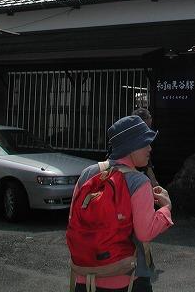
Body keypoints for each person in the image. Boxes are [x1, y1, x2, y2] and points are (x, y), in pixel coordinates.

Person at [71, 115, 173, 292]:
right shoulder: (138, 181)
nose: (150, 148)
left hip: (85, 276)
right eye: (145, 143)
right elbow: (145, 233)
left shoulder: (88, 174)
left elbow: (73, 219)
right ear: (131, 146)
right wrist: (166, 208)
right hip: (128, 278)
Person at [132, 108, 159, 187]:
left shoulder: (140, 134)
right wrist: (153, 180)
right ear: (144, 120)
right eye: (150, 117)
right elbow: (147, 163)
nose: (151, 120)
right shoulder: (138, 137)